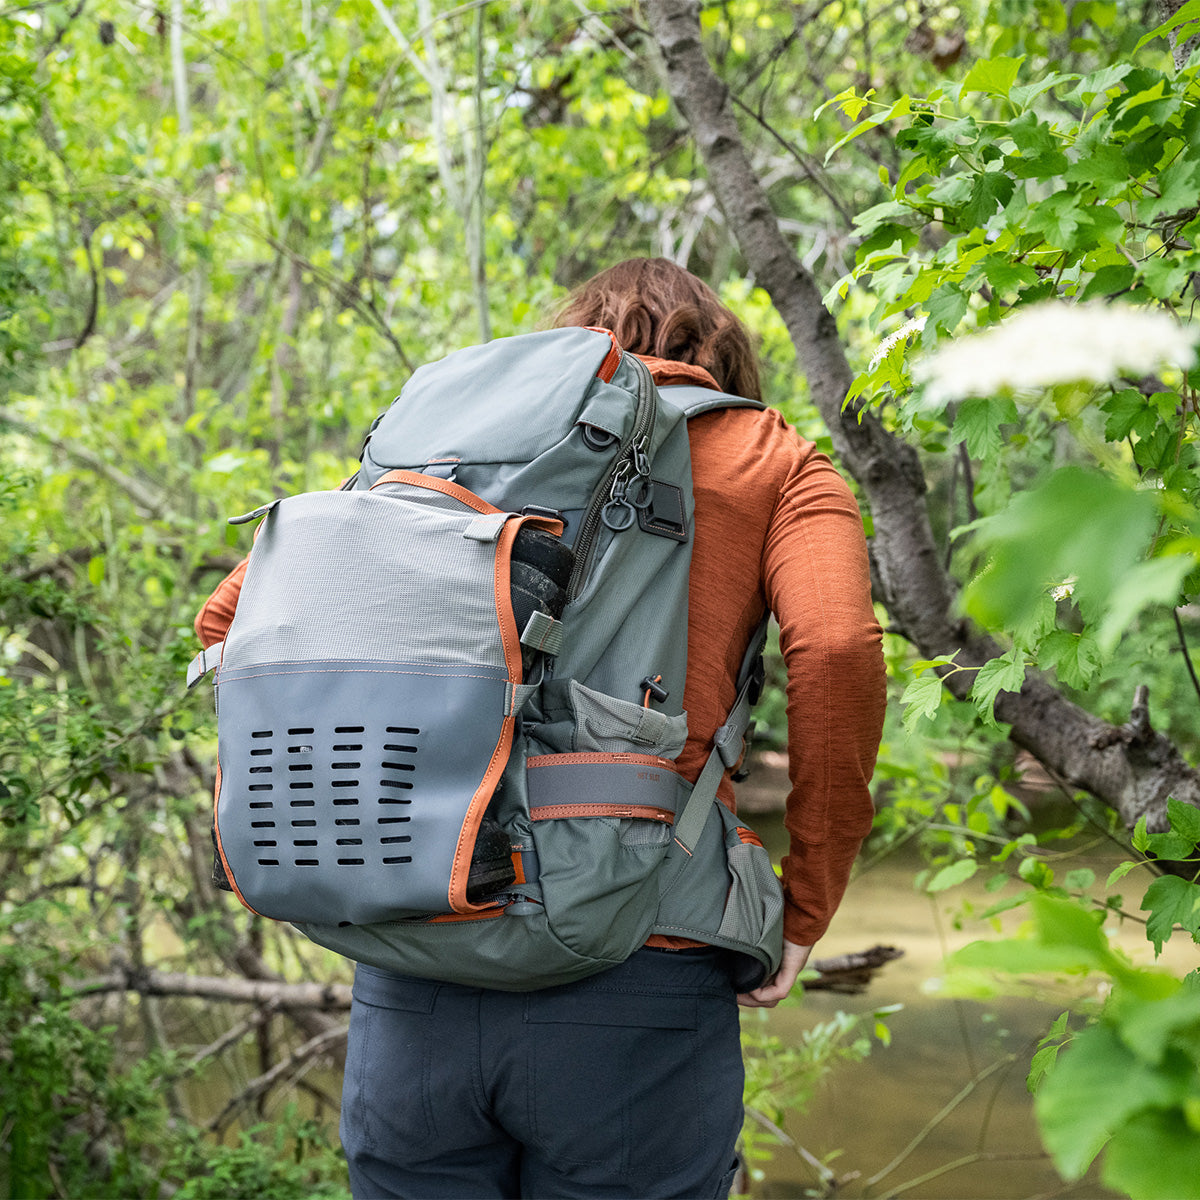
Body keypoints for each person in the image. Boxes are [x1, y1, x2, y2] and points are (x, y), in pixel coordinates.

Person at [194, 257, 886, 1199]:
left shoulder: (446, 452)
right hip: (639, 969)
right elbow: (837, 649)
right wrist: (805, 906)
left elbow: (226, 623)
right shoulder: (771, 456)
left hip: (419, 946)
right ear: (724, 360)